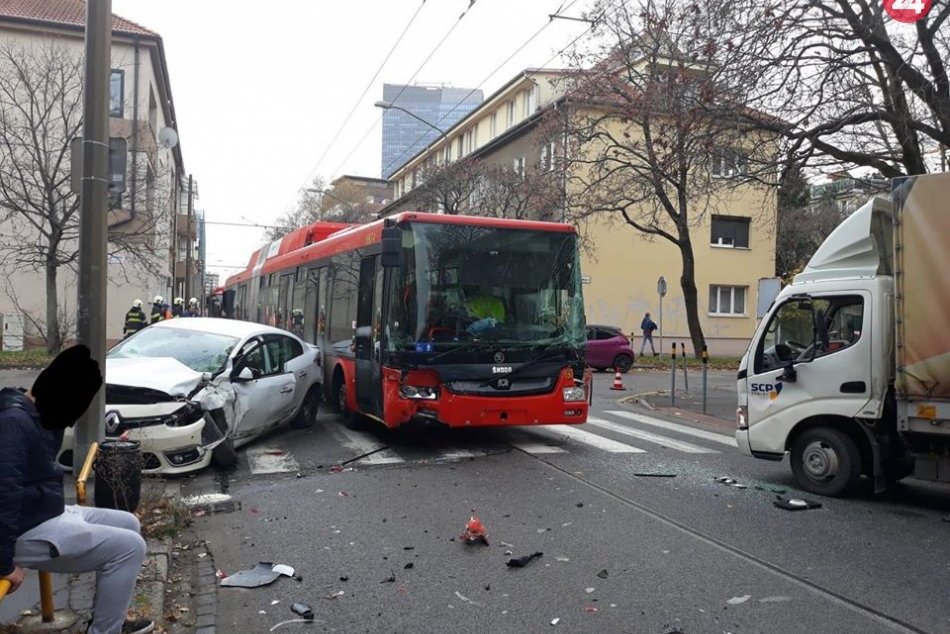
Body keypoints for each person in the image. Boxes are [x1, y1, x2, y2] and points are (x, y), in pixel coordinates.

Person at [0, 346, 153, 634]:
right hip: (25, 530)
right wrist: (4, 563)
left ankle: (108, 619)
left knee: (129, 523)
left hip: (42, 514)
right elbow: (3, 496)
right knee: (130, 548)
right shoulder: (13, 423)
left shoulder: (32, 414)